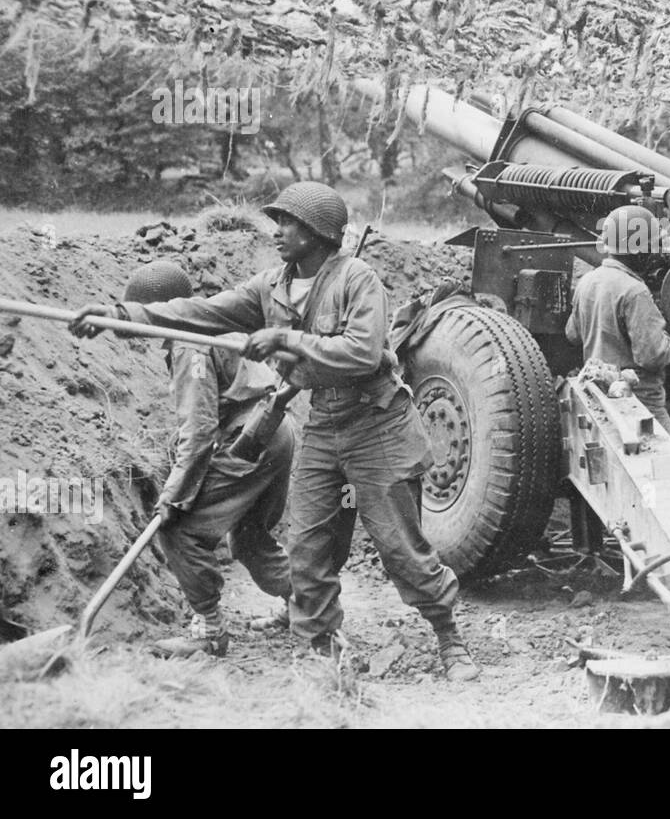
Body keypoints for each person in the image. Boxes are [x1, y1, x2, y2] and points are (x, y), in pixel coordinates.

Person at [69, 181, 480, 682]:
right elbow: (201, 312)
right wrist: (122, 316)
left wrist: (287, 338)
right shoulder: (271, 286)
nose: (277, 231)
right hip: (325, 425)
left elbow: (363, 352)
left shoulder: (357, 278)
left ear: (317, 232)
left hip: (380, 426)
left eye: (287, 222)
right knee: (309, 548)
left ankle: (448, 639)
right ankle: (318, 653)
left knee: (400, 548)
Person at [123, 261, 295, 658]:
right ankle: (308, 602)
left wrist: (174, 495)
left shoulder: (188, 344)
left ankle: (209, 629)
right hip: (274, 431)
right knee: (250, 538)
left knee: (179, 530)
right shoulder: (211, 325)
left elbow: (198, 433)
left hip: (250, 439)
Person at [566, 204, 670, 436]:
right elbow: (653, 355)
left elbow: (573, 334)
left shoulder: (587, 281)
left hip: (599, 393)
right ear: (638, 250)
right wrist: (667, 335)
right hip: (640, 401)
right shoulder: (635, 291)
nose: (654, 253)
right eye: (651, 246)